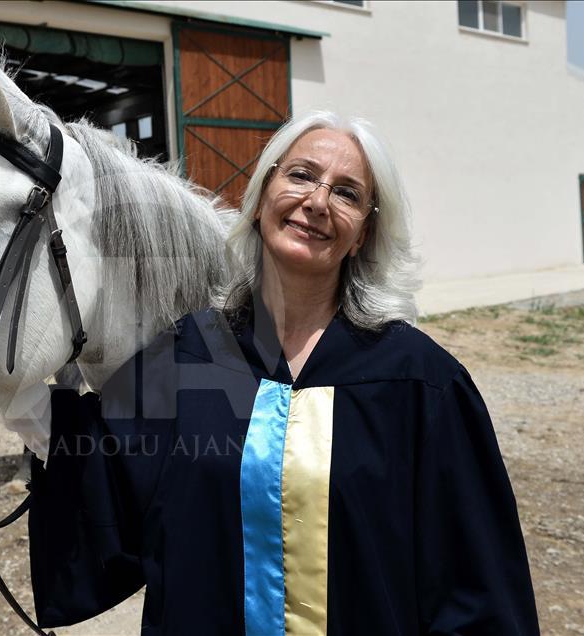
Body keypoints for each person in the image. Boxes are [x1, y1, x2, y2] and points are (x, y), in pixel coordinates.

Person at [26, 111, 539, 635]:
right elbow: (109, 472)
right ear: (262, 193)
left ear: (363, 234)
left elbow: (476, 583)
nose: (316, 202)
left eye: (347, 193)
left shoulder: (422, 385)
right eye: (300, 175)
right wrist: (28, 407)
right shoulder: (188, 353)